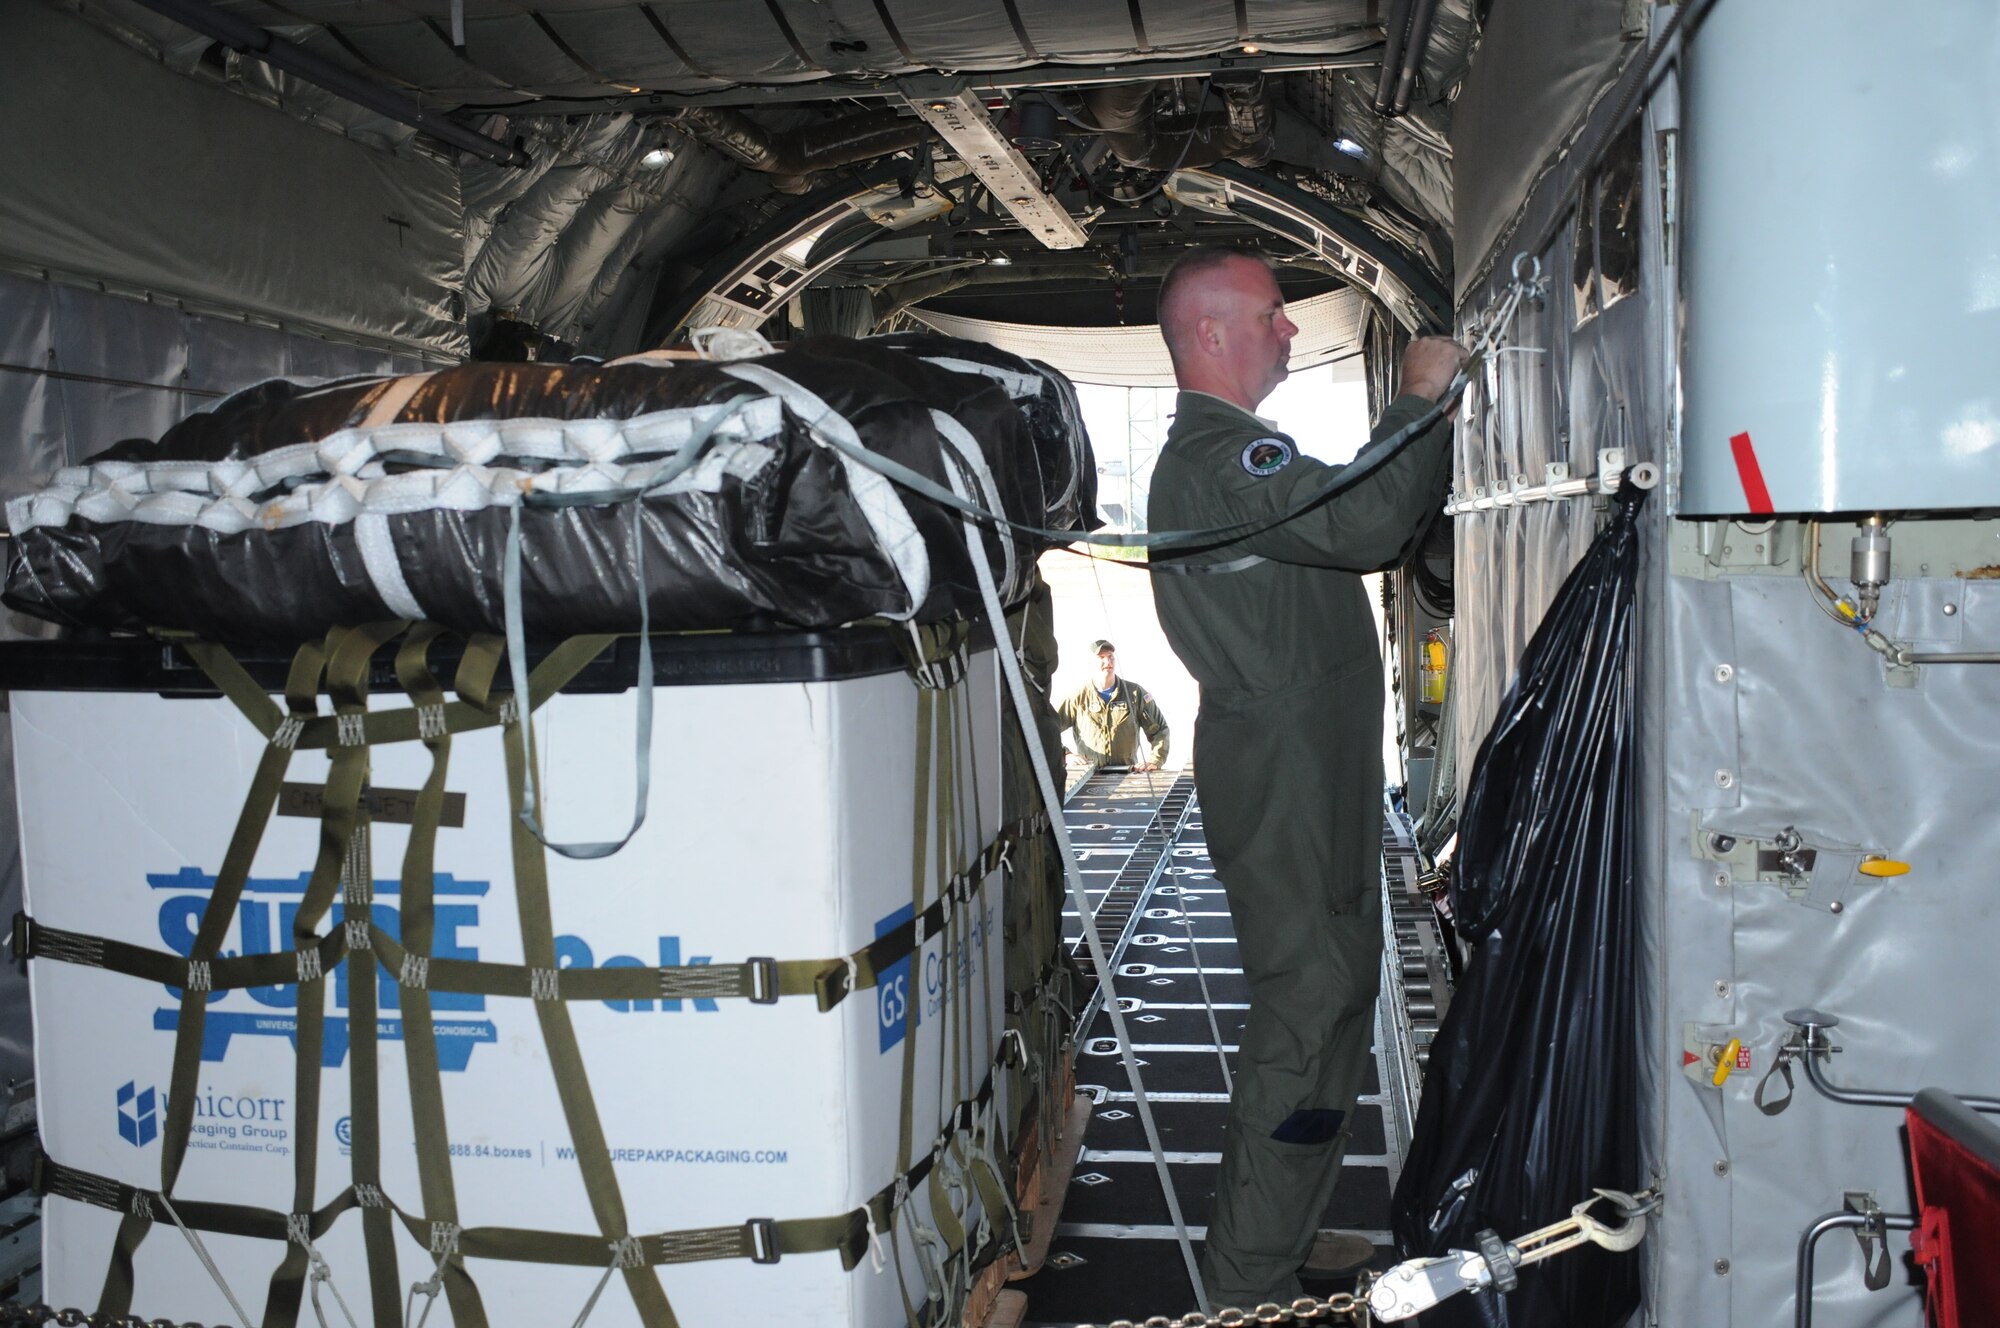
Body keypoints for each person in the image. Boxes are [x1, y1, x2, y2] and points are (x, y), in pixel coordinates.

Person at [1146, 243, 1468, 1311]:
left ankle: (1278, 1232)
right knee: (1303, 1010)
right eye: (1273, 313)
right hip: (1282, 777)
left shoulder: (1241, 451)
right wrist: (1416, 398)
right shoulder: (1210, 455)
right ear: (1208, 332)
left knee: (1336, 999)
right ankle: (1242, 1287)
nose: (1290, 329)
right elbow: (1366, 521)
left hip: (1315, 768)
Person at [1056, 639, 1170, 771]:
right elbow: (1048, 730)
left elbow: (1160, 730)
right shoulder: (1077, 697)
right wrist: (1065, 755)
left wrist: (1154, 761)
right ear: (1090, 662)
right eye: (1101, 657)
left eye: (1110, 657)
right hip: (1090, 777)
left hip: (1128, 775)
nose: (1107, 662)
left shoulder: (1134, 693)